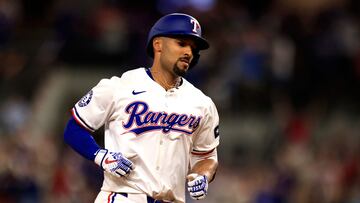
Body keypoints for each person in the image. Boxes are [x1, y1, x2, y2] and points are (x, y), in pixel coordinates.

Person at [64, 13, 220, 203]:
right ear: (158, 44)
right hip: (123, 197)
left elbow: (207, 157)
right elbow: (74, 129)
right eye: (181, 43)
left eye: (193, 48)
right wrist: (101, 156)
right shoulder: (119, 87)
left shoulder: (202, 103)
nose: (189, 52)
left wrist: (202, 176)